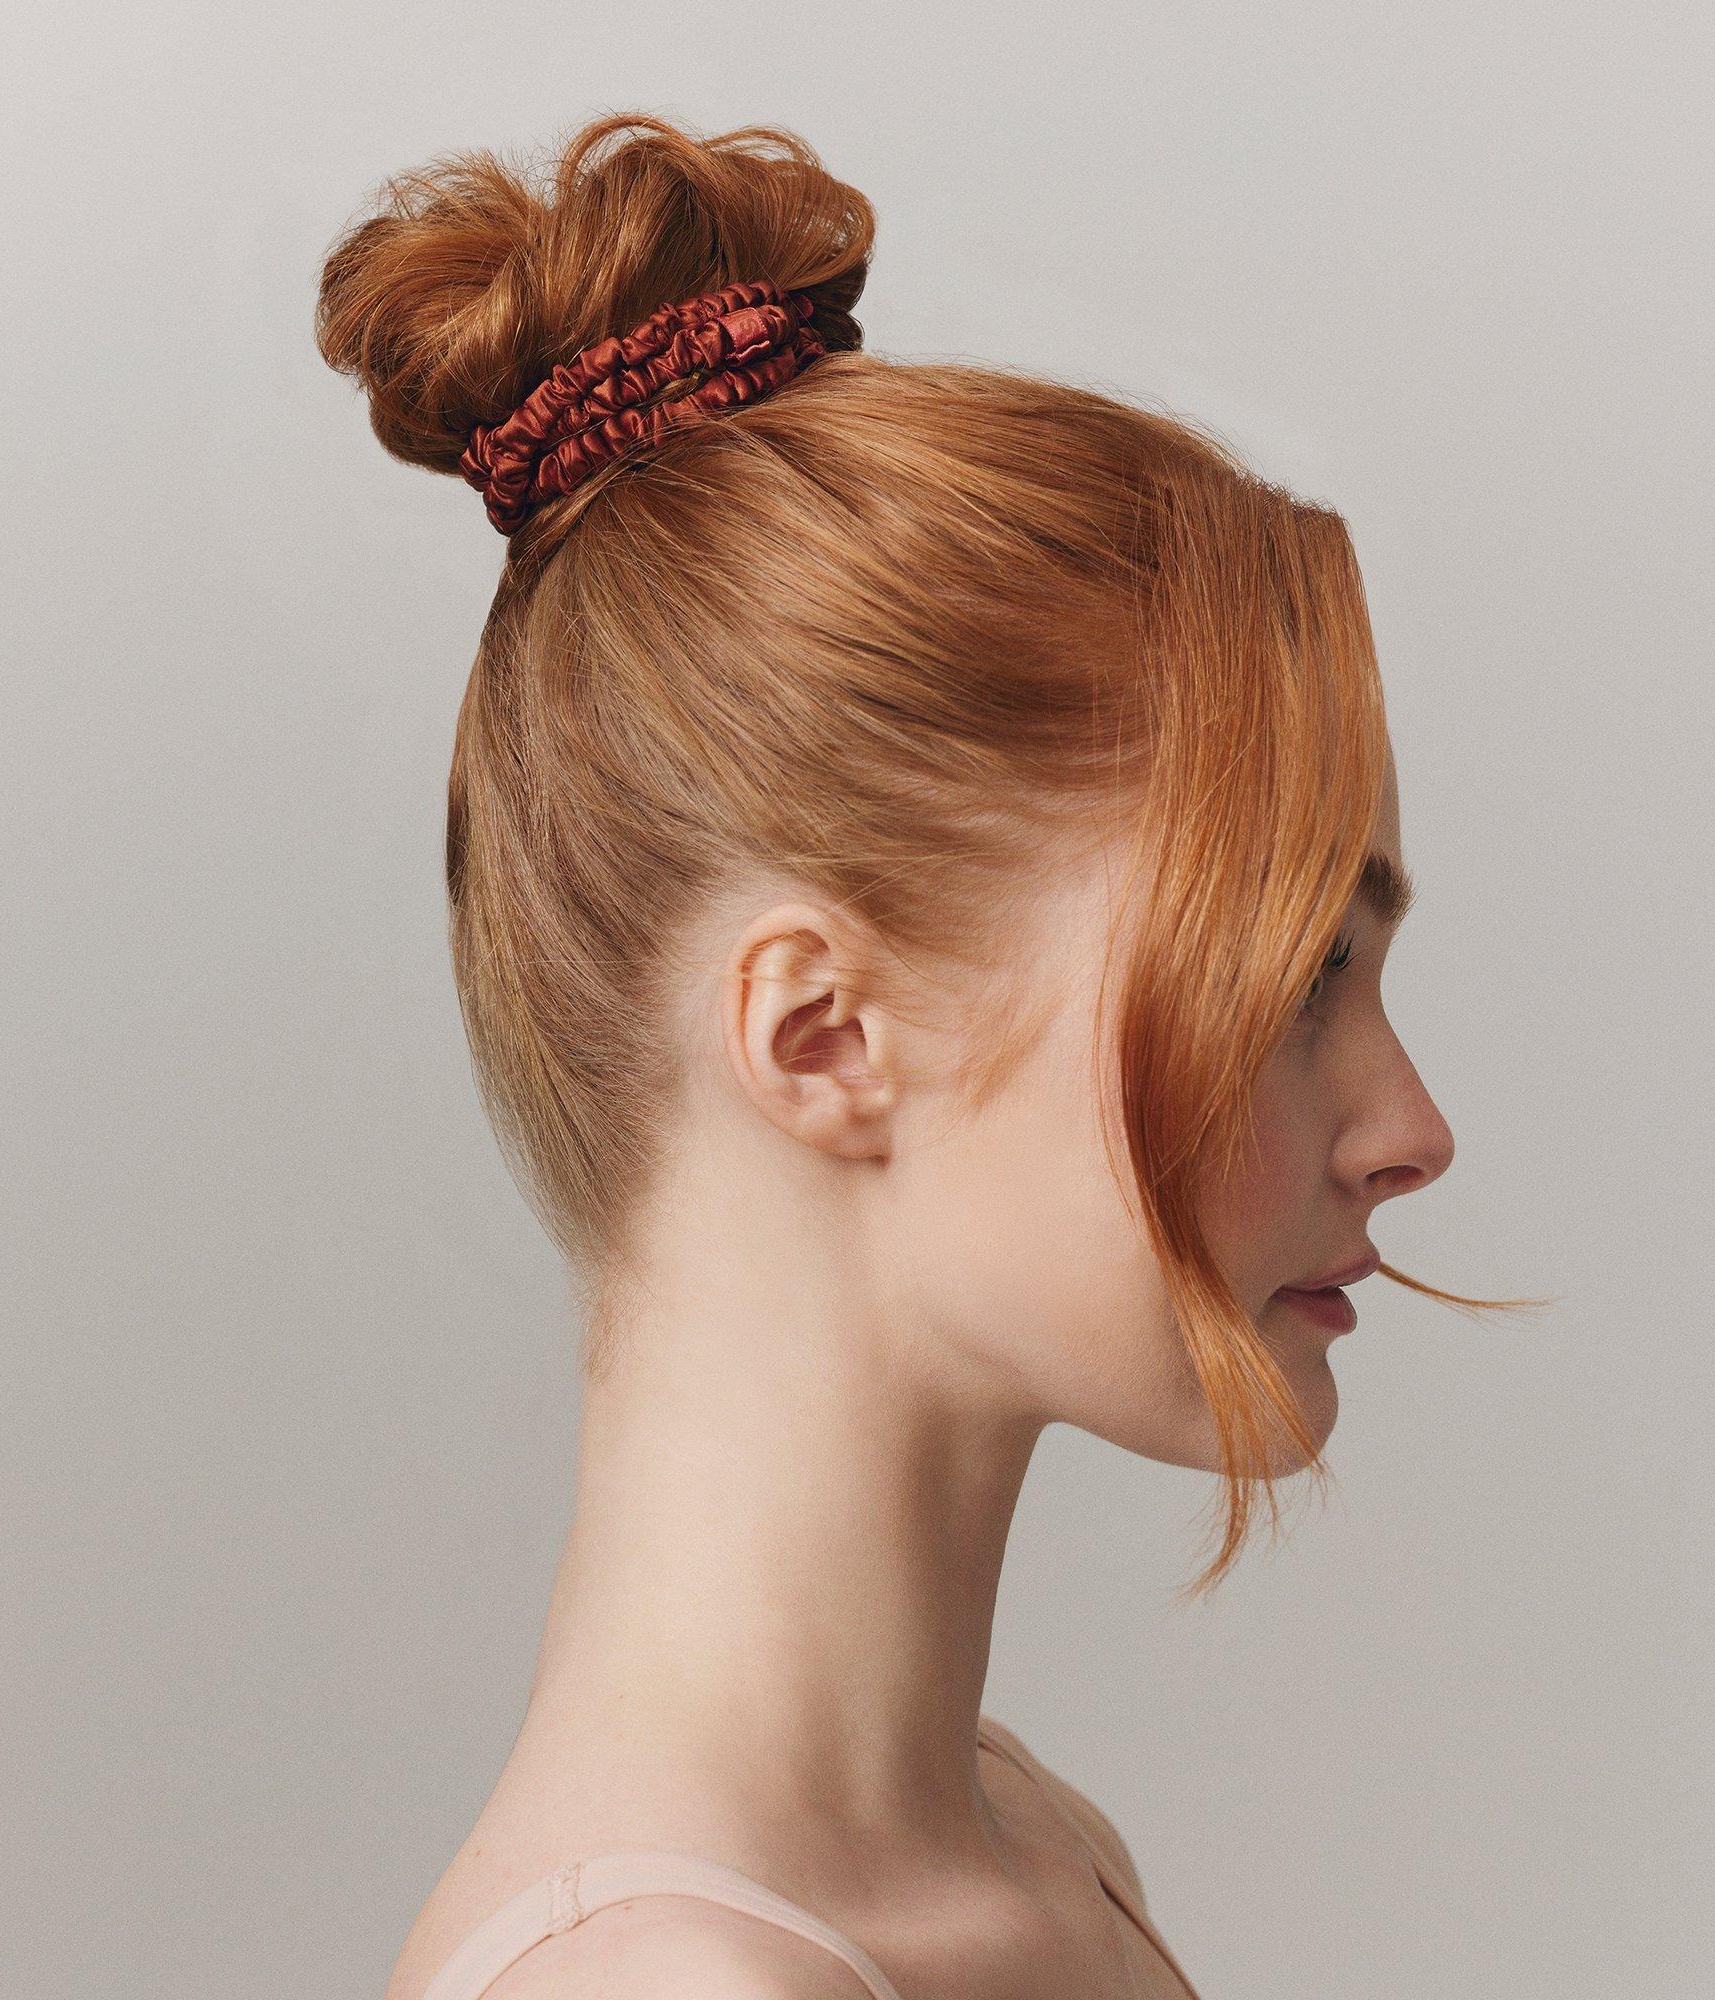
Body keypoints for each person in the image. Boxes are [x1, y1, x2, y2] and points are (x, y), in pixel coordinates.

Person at [317, 108, 1508, 2000]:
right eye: (1291, 980)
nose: (1411, 1127)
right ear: (823, 1037)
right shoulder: (678, 1988)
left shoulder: (1036, 1851)